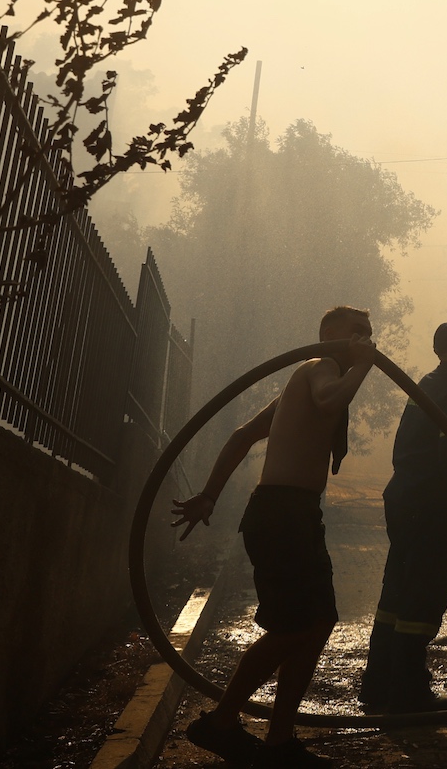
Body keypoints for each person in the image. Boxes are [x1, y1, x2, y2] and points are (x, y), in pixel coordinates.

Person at [171, 306, 377, 769]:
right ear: (328, 337)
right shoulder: (321, 368)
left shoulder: (311, 378)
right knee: (296, 626)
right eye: (354, 332)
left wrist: (209, 495)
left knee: (318, 622)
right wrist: (362, 365)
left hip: (296, 515)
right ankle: (221, 722)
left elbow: (245, 434)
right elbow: (328, 402)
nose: (364, 336)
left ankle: (279, 741)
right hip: (281, 515)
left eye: (368, 331)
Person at [357, 319, 447, 712]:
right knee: (425, 594)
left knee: (396, 592)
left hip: (404, 497)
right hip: (431, 502)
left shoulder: (429, 383)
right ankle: (409, 690)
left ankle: (378, 685)